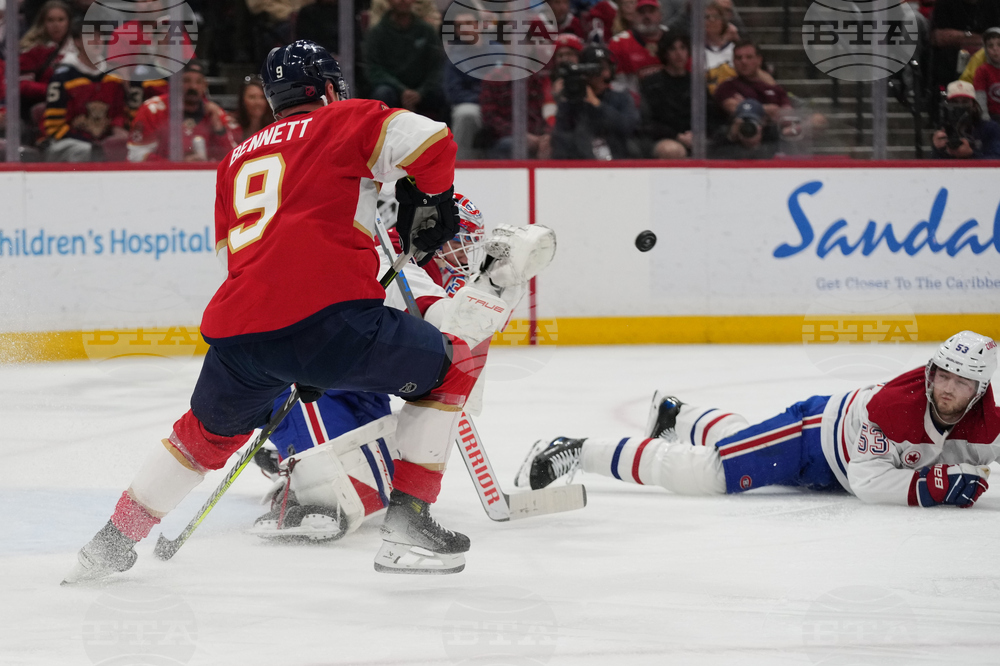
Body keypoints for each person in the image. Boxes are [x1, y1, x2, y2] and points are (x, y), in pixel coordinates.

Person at [65, 40, 555, 583]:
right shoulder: (344, 119)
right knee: (453, 367)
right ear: (326, 88)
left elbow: (247, 253)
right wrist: (434, 197)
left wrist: (293, 353)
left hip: (240, 336)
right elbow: (434, 139)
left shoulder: (236, 158)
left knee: (199, 439)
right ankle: (409, 522)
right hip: (332, 321)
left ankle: (110, 542)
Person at [518, 331, 998, 511]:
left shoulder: (983, 420)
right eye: (942, 375)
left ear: (979, 392)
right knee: (708, 472)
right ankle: (577, 448)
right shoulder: (890, 411)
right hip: (812, 439)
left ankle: (677, 414)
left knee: (739, 439)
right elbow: (869, 483)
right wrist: (935, 486)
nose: (946, 388)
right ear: (932, 371)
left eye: (961, 382)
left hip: (828, 460)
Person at [249, 193, 496, 542]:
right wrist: (499, 290)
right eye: (459, 245)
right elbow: (451, 329)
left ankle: (287, 460)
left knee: (386, 485)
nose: (463, 257)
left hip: (354, 384)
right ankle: (294, 481)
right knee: (335, 502)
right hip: (303, 385)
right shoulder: (391, 261)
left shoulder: (420, 267)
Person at [41, 21, 128, 162]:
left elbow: (119, 113)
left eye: (100, 36)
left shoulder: (114, 77)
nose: (96, 41)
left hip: (101, 142)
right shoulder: (62, 77)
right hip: (68, 143)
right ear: (77, 42)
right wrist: (91, 142)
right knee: (84, 151)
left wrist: (117, 128)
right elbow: (54, 127)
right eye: (90, 37)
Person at [127, 62, 239, 162]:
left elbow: (233, 159)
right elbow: (136, 155)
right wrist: (176, 166)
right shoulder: (152, 110)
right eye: (186, 81)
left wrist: (219, 128)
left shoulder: (215, 113)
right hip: (161, 180)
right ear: (175, 84)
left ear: (205, 86)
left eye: (198, 82)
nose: (193, 87)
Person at [552, 45, 640, 159]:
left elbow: (627, 127)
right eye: (594, 69)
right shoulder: (573, 99)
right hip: (579, 162)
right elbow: (561, 134)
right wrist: (563, 99)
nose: (600, 74)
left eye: (604, 68)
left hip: (618, 160)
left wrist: (596, 104)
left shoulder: (621, 97)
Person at [364, 0, 446, 120]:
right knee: (382, 94)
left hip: (422, 89)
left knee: (442, 94)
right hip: (392, 89)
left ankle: (445, 137)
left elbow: (437, 67)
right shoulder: (377, 32)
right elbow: (374, 70)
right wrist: (402, 90)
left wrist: (420, 92)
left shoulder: (426, 30)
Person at [640, 32, 692, 158]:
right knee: (672, 151)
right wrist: (676, 136)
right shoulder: (652, 83)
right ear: (665, 52)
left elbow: (710, 114)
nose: (679, 54)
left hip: (694, 137)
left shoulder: (697, 82)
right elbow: (648, 122)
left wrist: (697, 134)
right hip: (662, 138)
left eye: (683, 48)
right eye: (673, 49)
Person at [18, 0, 70, 110]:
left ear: (68, 22)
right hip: (42, 105)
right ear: (43, 23)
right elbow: (23, 84)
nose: (56, 25)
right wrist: (54, 91)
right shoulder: (32, 49)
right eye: (50, 20)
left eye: (61, 20)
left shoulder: (79, 46)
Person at [932, 79, 1000, 157]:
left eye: (965, 102)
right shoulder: (944, 130)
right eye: (954, 102)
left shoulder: (990, 128)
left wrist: (971, 154)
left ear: (974, 104)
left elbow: (997, 159)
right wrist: (937, 149)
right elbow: (932, 166)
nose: (960, 106)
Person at [972, 26, 1000, 122]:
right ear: (985, 49)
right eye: (990, 46)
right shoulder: (982, 71)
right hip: (991, 118)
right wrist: (985, 119)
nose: (995, 49)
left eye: (999, 45)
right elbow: (980, 97)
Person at [234, 76, 273, 141]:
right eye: (252, 97)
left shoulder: (277, 126)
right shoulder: (231, 126)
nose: (258, 102)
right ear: (242, 100)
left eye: (262, 97)